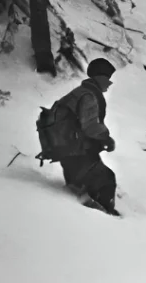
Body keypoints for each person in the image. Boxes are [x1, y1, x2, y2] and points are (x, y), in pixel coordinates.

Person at [47, 58, 119, 214]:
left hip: (67, 150)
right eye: (108, 78)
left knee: (80, 185)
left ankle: (86, 206)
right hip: (77, 152)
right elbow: (90, 126)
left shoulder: (79, 93)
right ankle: (108, 218)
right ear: (100, 77)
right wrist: (107, 139)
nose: (110, 83)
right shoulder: (89, 96)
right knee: (106, 179)